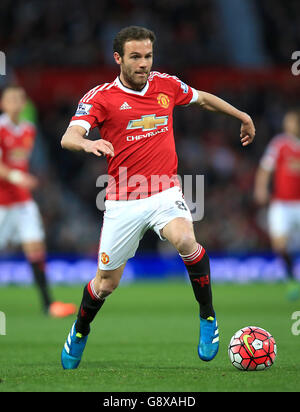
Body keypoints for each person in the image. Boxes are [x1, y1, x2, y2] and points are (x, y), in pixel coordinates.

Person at [60, 26, 255, 369]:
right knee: (106, 284)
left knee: (185, 241)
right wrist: (88, 142)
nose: (144, 64)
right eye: (135, 57)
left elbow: (203, 99)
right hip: (123, 198)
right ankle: (79, 329)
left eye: (148, 56)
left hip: (165, 190)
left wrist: (241, 115)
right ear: (118, 58)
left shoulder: (166, 84)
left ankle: (208, 317)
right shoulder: (100, 97)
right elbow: (69, 137)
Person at [0, 85, 77, 317]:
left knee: (36, 248)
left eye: (20, 99)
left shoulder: (28, 130)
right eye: (11, 99)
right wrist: (16, 176)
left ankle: (48, 304)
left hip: (23, 201)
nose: (16, 103)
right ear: (3, 104)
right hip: (2, 203)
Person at [254, 109, 300, 299]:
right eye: (287, 122)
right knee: (279, 244)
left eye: (292, 122)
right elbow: (265, 168)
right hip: (281, 203)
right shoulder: (279, 144)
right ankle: (291, 280)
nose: (289, 125)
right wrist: (261, 188)